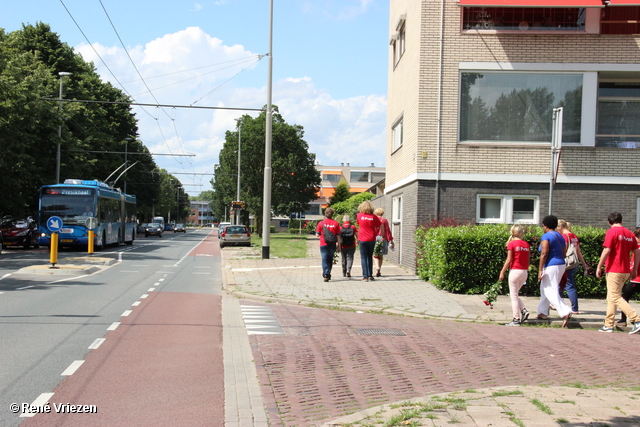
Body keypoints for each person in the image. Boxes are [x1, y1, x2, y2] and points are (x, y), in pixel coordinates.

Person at [596, 213, 640, 334]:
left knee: (615, 296)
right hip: (625, 270)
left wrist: (599, 266)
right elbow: (636, 252)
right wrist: (635, 269)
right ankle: (608, 324)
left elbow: (607, 250)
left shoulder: (611, 232)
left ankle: (636, 319)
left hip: (614, 269)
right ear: (621, 220)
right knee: (612, 296)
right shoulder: (630, 234)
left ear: (609, 222)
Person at [537, 215, 573, 327]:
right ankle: (542, 312)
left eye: (543, 225)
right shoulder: (560, 236)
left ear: (546, 226)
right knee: (545, 287)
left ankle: (565, 311)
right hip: (561, 264)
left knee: (549, 290)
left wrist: (540, 269)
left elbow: (544, 253)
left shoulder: (546, 236)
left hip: (550, 265)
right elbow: (564, 252)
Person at [499, 224, 531, 326]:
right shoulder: (526, 244)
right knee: (515, 294)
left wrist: (502, 271)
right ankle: (524, 310)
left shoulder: (511, 244)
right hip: (524, 272)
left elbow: (509, 260)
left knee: (513, 295)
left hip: (515, 271)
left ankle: (516, 318)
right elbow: (528, 260)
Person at [557, 219, 589, 314]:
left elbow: (564, 250)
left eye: (557, 228)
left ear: (561, 227)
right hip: (575, 263)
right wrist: (583, 263)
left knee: (569, 285)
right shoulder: (574, 236)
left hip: (568, 264)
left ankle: (575, 308)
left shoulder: (564, 236)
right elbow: (578, 251)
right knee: (561, 284)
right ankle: (556, 303)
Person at [619, 228, 640, 327]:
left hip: (637, 279)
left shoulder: (638, 249)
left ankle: (624, 320)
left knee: (624, 297)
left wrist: (629, 271)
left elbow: (634, 263)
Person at [356, 201, 381, 282]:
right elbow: (379, 225)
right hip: (371, 238)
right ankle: (370, 275)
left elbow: (358, 223)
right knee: (370, 256)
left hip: (362, 238)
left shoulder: (359, 215)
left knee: (364, 257)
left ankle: (365, 276)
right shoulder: (374, 216)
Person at [316, 208, 341, 282]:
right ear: (333, 214)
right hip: (332, 243)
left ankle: (326, 274)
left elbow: (317, 234)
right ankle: (328, 273)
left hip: (323, 243)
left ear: (325, 214)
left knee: (324, 259)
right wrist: (339, 246)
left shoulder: (321, 223)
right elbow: (338, 236)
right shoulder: (336, 223)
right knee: (330, 259)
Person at [373, 208, 394, 277]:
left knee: (374, 254)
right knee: (381, 254)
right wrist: (391, 240)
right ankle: (379, 269)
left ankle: (377, 268)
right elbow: (388, 230)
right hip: (383, 238)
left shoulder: (374, 220)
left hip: (375, 237)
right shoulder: (384, 220)